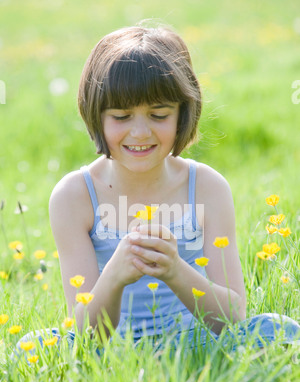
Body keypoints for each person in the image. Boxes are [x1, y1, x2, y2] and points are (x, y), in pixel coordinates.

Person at [17, 24, 300, 356]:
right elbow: (84, 334)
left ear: (182, 115)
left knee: (278, 328)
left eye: (158, 114)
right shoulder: (74, 196)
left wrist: (176, 270)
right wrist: (115, 275)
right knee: (31, 348)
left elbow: (233, 317)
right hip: (113, 352)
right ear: (96, 117)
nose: (140, 132)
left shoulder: (207, 188)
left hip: (196, 346)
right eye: (121, 116)